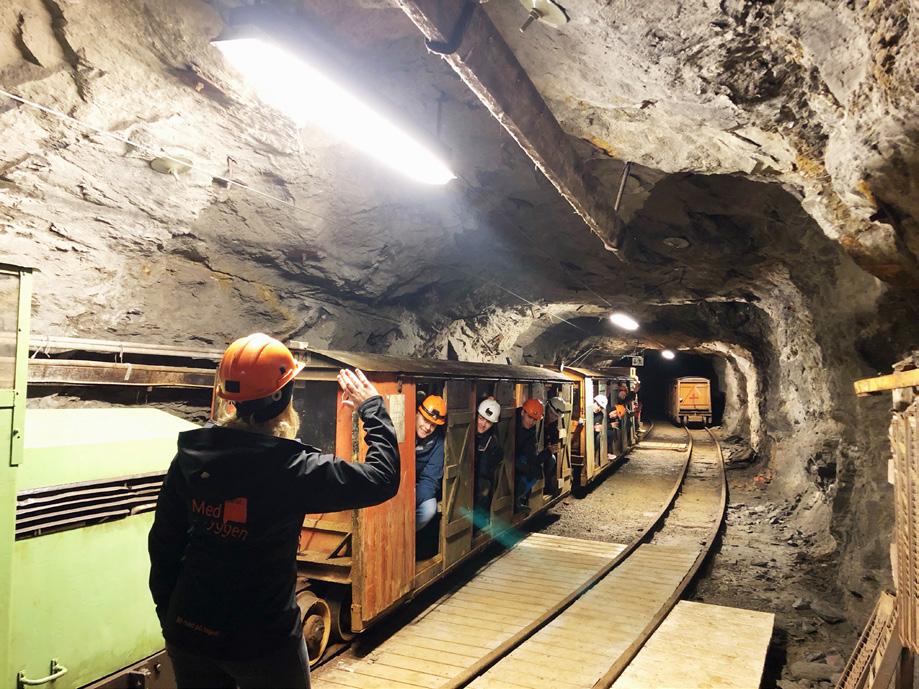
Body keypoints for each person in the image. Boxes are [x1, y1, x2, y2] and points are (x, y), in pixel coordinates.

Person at [148, 334, 400, 689]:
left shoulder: (191, 457)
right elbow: (382, 478)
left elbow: (164, 544)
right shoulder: (291, 469)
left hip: (189, 629)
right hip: (262, 640)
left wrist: (171, 617)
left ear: (230, 398)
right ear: (283, 397)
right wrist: (371, 407)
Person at [415, 394, 446, 532]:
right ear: (417, 413)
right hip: (394, 486)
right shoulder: (402, 428)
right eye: (425, 420)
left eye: (433, 424)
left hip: (416, 489)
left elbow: (430, 480)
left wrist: (410, 498)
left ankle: (405, 536)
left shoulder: (438, 443)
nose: (427, 427)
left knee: (429, 508)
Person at [474, 398, 503, 524]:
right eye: (481, 419)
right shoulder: (468, 431)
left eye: (488, 422)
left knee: (483, 488)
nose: (483, 424)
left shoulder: (493, 442)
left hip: (481, 477)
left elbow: (486, 471)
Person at [515, 398, 544, 511]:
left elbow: (530, 452)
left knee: (535, 471)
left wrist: (532, 466)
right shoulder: (511, 420)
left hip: (519, 457)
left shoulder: (531, 431)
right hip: (507, 457)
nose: (531, 422)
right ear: (523, 412)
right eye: (529, 417)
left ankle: (517, 498)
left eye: (535, 419)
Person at [540, 396, 569, 495]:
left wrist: (551, 446)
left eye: (556, 416)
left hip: (544, 452)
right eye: (552, 413)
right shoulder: (539, 420)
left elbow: (554, 439)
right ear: (547, 408)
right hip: (536, 451)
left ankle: (545, 486)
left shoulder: (553, 425)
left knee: (552, 460)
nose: (553, 417)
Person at [593, 393, 608, 465]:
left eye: (601, 407)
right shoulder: (584, 410)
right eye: (598, 405)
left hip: (592, 433)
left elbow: (598, 425)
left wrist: (597, 427)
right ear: (594, 402)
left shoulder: (600, 414)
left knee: (598, 436)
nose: (599, 408)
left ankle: (593, 456)